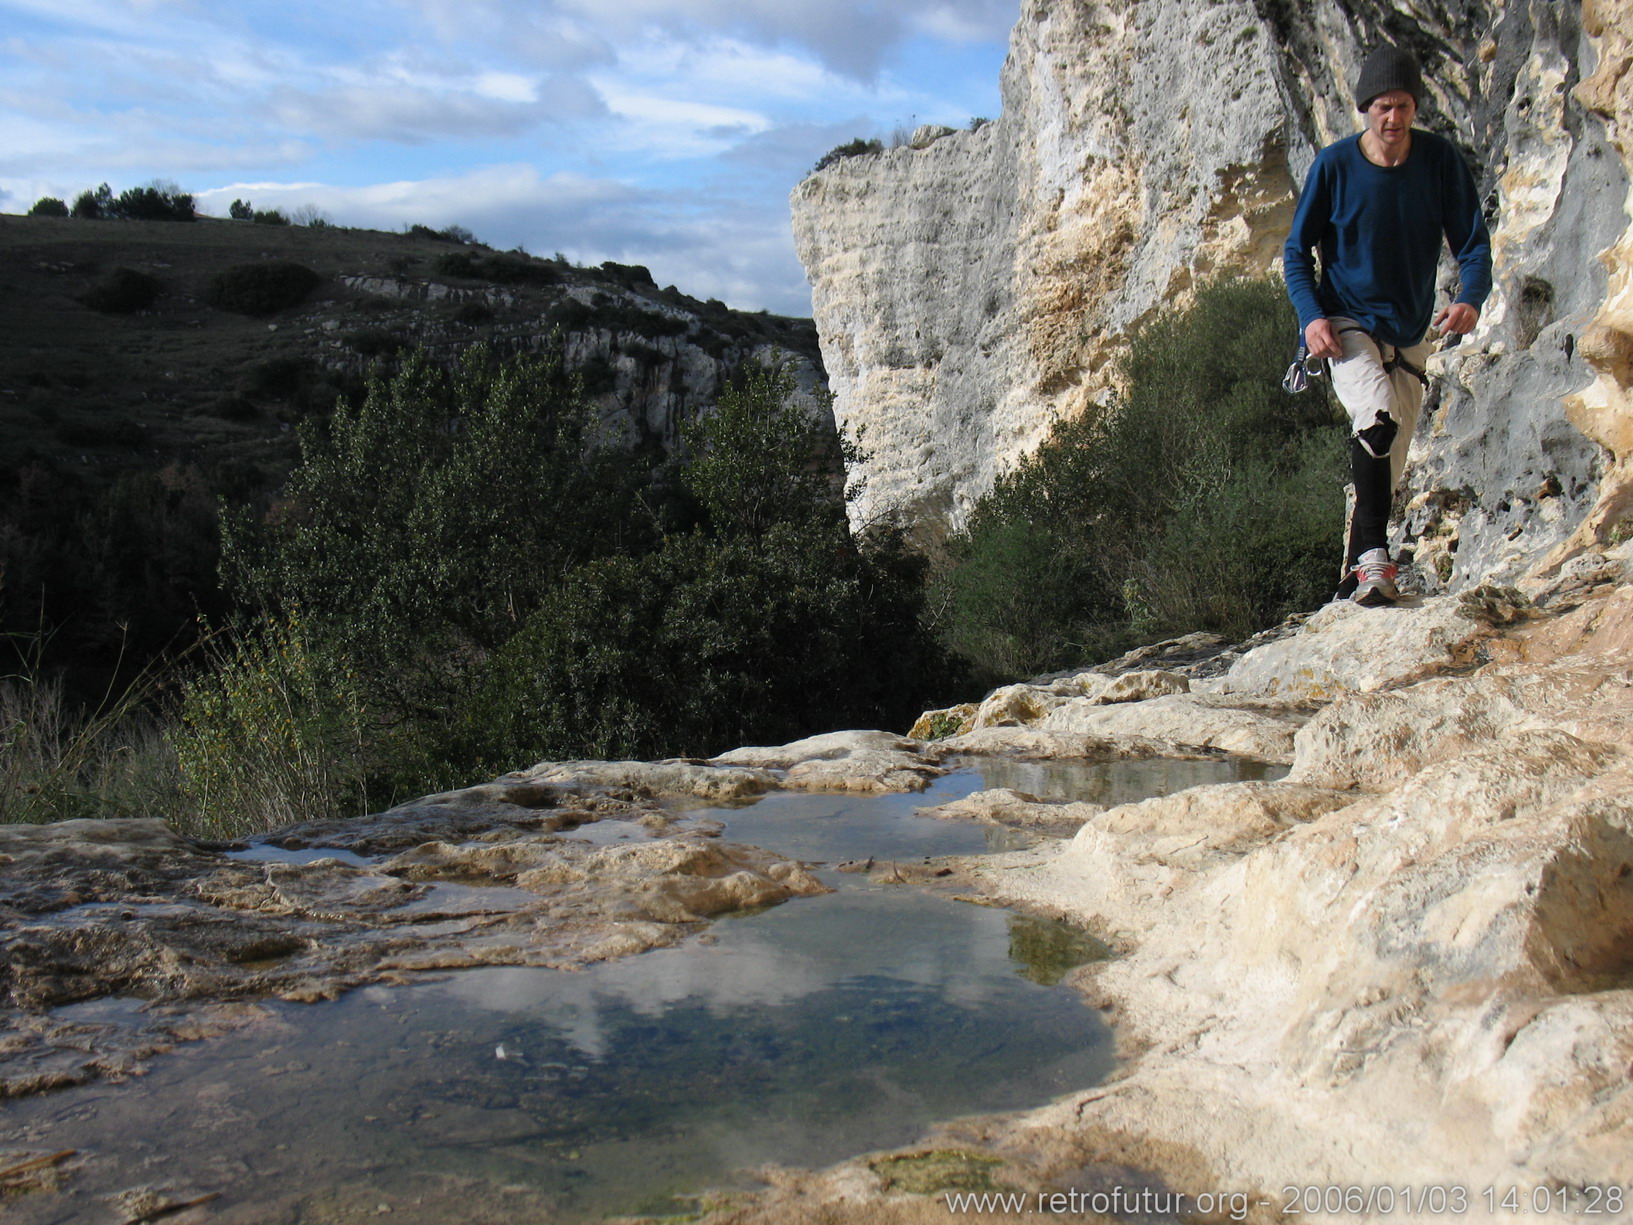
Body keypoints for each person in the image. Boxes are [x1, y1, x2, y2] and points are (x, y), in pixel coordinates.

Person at [1283, 44, 1493, 606]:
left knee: (1386, 464)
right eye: (1382, 107)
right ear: (1365, 109)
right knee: (1375, 421)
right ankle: (1378, 562)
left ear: (1415, 107)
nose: (1393, 118)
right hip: (1347, 318)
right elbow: (1295, 251)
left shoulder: (1440, 162)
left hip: (1410, 331)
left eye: (1402, 106)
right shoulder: (1334, 167)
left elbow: (1473, 244)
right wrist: (1311, 318)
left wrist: (1471, 298)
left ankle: (1351, 578)